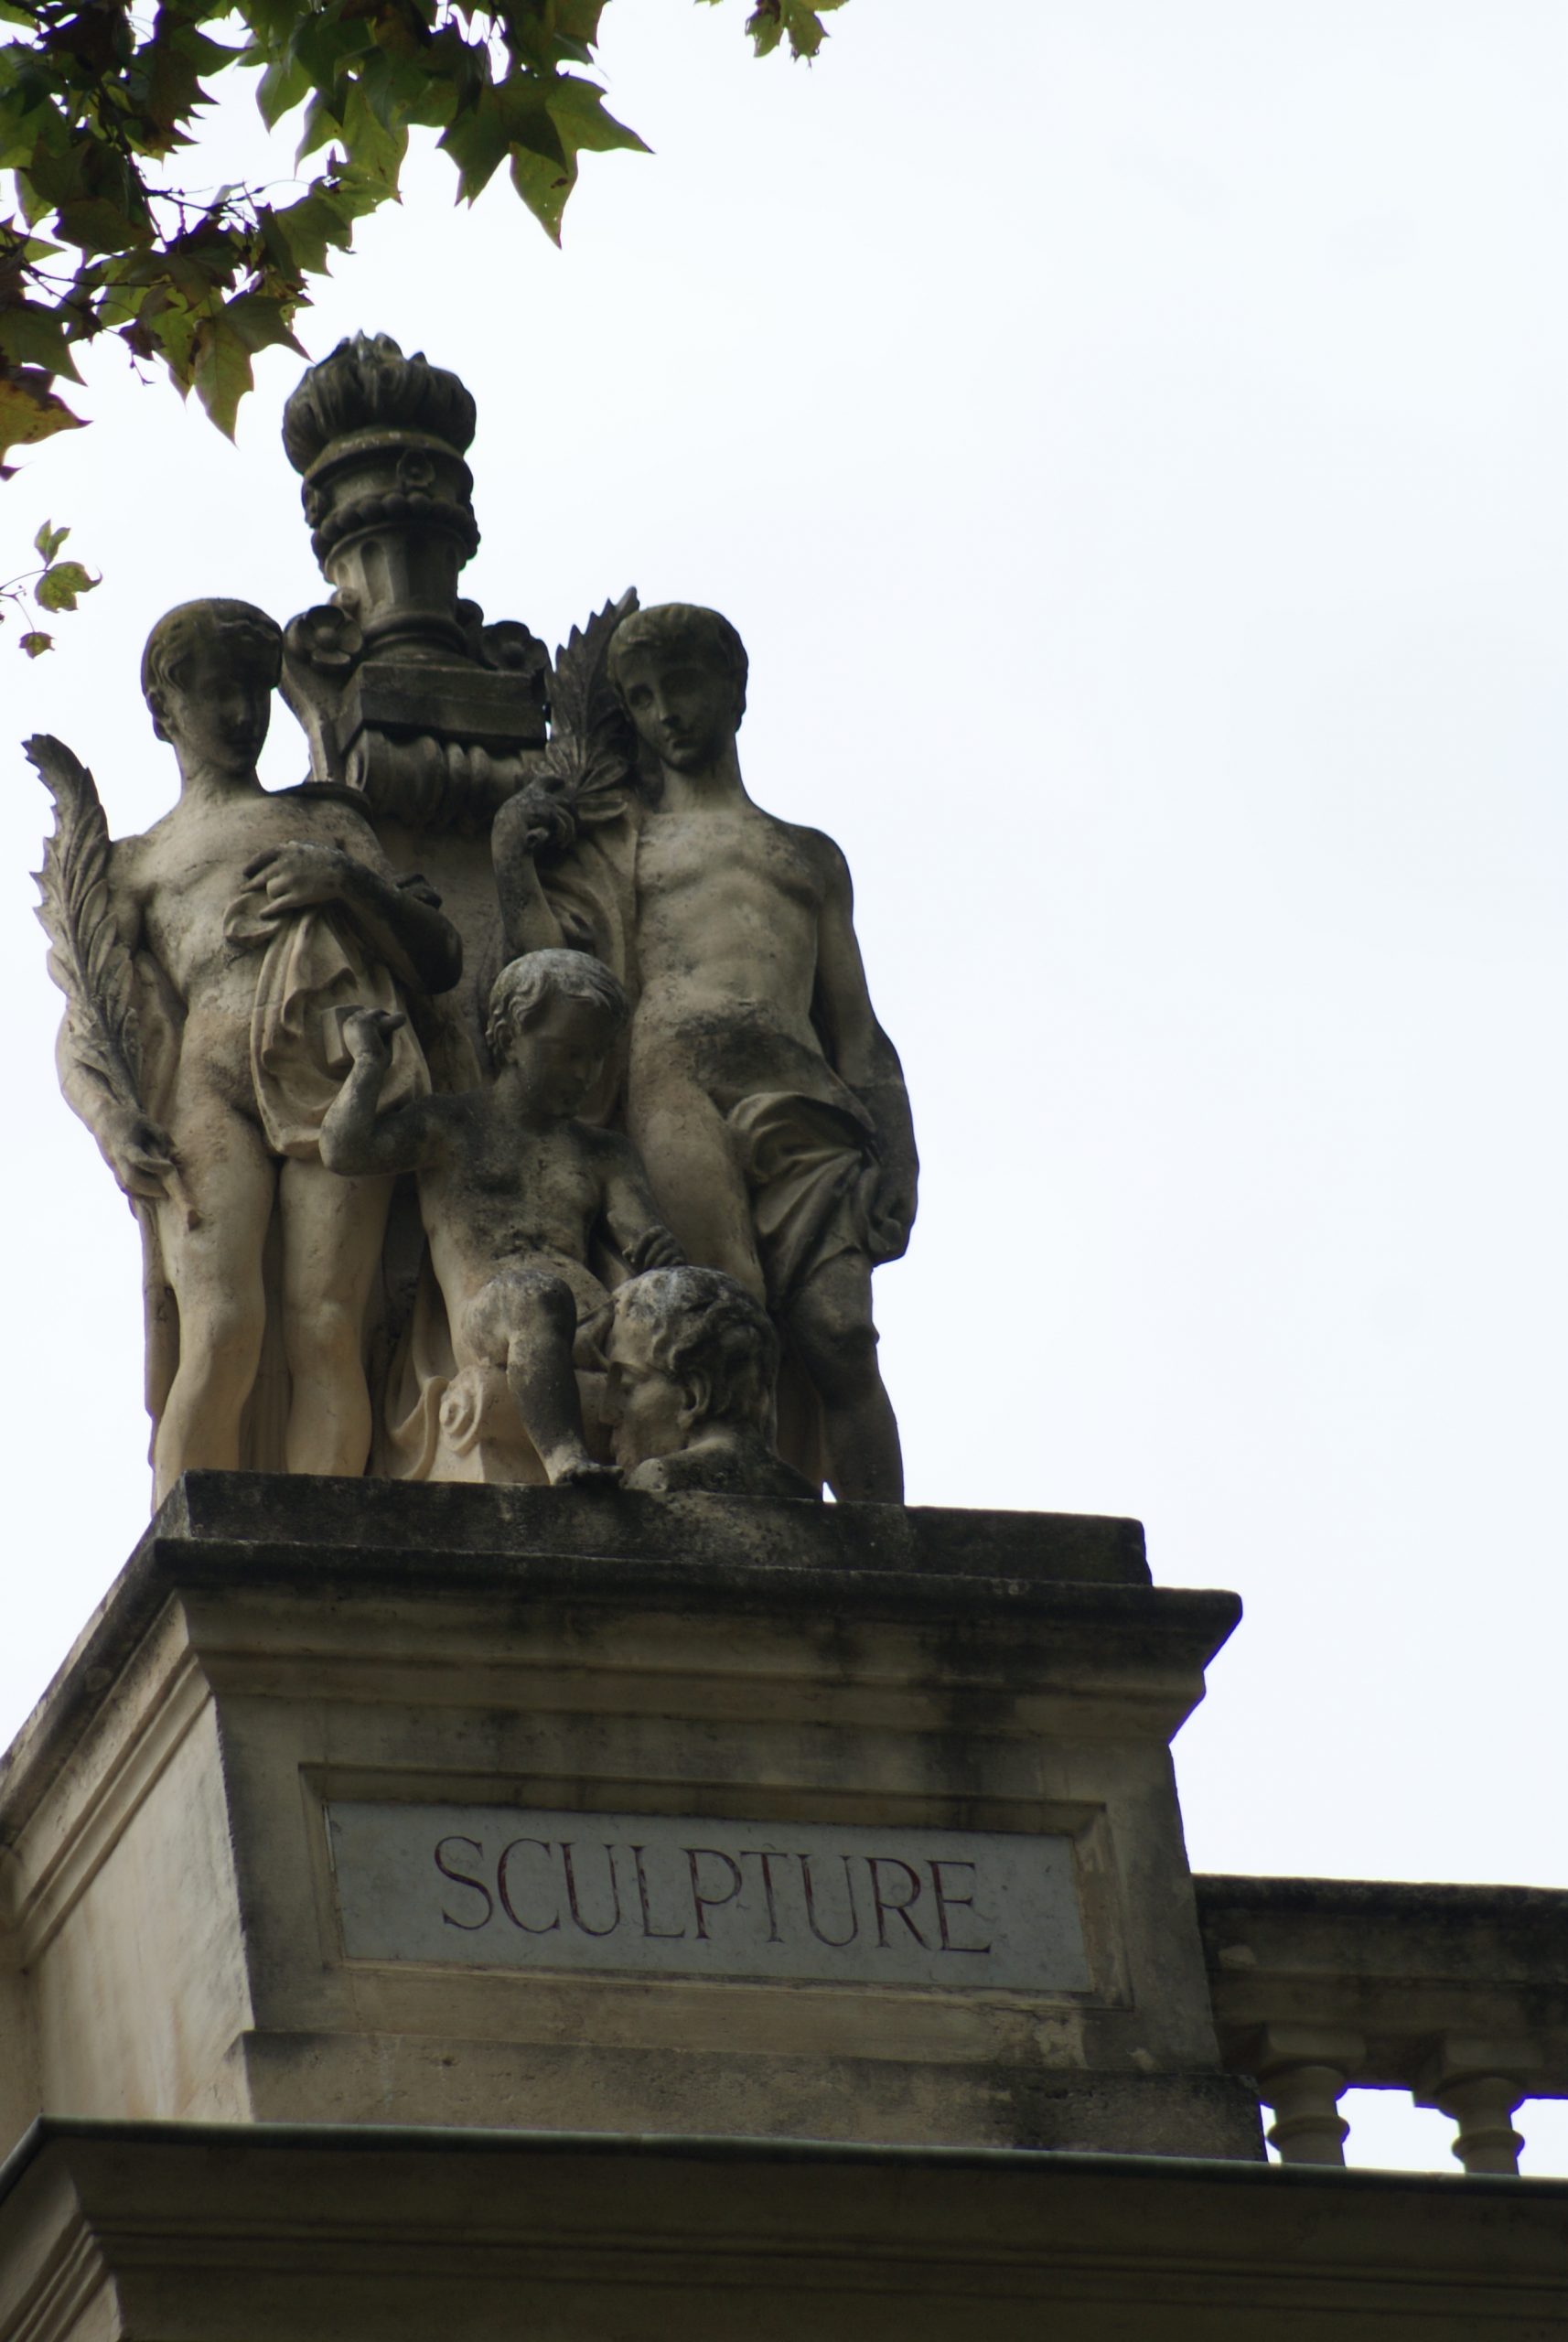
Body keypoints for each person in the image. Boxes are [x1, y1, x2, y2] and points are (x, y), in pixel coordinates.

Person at [45, 597, 463, 1499]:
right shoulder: (139, 862)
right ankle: (184, 1549)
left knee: (327, 1325)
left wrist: (343, 881)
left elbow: (438, 959)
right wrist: (111, 1120)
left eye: (256, 691)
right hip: (211, 1089)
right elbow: (84, 1024)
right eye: (217, 693)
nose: (241, 714)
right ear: (164, 709)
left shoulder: (328, 822)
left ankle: (323, 1550)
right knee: (222, 1327)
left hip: (339, 1080)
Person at [319, 951, 683, 1486]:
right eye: (569, 1053)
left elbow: (645, 1242)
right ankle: (565, 1459)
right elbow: (346, 1150)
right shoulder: (453, 1125)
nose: (585, 1075)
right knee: (535, 1296)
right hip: (495, 1314)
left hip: (597, 1319)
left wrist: (662, 1255)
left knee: (702, 1306)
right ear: (510, 1038)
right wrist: (370, 1064)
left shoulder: (604, 1152)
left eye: (597, 1057)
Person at [603, 1267, 818, 1499]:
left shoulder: (660, 1480)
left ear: (693, 1395)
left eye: (628, 1387)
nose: (607, 1414)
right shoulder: (804, 1492)